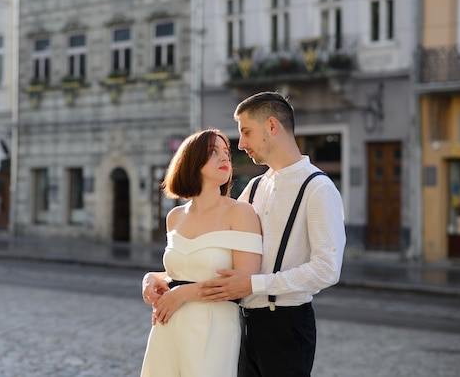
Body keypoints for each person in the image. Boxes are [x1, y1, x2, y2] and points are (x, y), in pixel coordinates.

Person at [198, 91, 347, 376]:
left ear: (271, 126)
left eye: (246, 132)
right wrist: (162, 279)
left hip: (287, 327)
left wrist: (255, 285)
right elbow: (217, 243)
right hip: (243, 324)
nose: (240, 145)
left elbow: (328, 269)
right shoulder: (254, 187)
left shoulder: (318, 188)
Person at [140, 128, 263, 377]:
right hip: (168, 324)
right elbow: (185, 270)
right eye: (213, 152)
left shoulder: (240, 212)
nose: (225, 158)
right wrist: (153, 278)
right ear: (191, 161)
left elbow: (244, 281)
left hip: (214, 326)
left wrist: (183, 294)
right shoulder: (174, 217)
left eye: (226, 152)